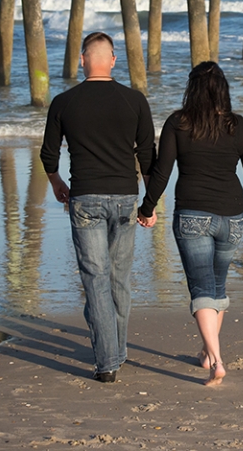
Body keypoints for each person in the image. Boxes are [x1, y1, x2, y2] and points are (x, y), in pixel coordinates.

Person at [137, 61, 243, 386]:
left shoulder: (179, 123)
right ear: (224, 89)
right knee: (216, 288)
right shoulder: (240, 127)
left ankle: (217, 360)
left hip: (192, 215)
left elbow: (162, 171)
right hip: (232, 217)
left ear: (192, 89)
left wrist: (147, 207)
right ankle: (206, 351)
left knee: (202, 289)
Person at [40, 32, 156, 383]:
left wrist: (57, 184)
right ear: (114, 60)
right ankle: (115, 351)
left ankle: (108, 360)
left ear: (82, 60)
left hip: (86, 198)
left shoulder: (63, 101)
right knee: (119, 278)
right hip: (125, 198)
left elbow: (48, 153)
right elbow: (148, 155)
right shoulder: (135, 100)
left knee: (95, 279)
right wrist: (149, 204)